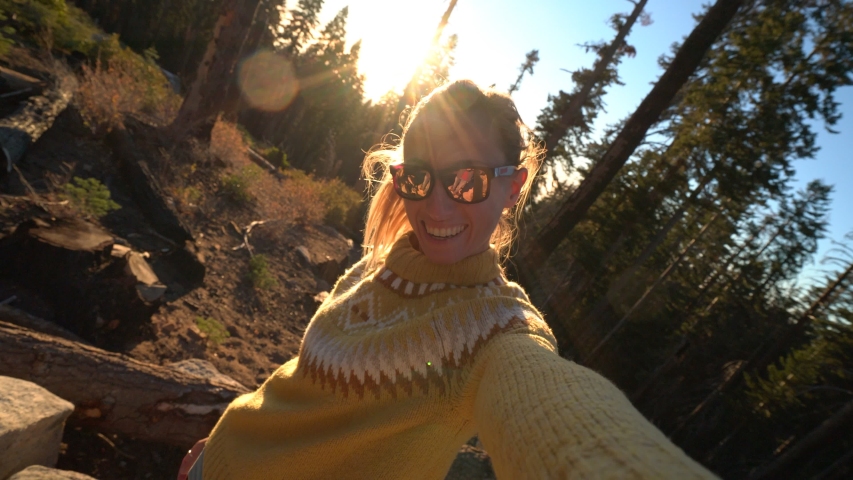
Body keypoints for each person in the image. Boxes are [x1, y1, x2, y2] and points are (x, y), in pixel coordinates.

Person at [181, 80, 717, 479]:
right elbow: (302, 388)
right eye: (416, 177)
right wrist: (220, 449)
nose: (435, 205)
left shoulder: (496, 331)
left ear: (513, 187)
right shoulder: (380, 265)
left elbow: (562, 413)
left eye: (467, 180)